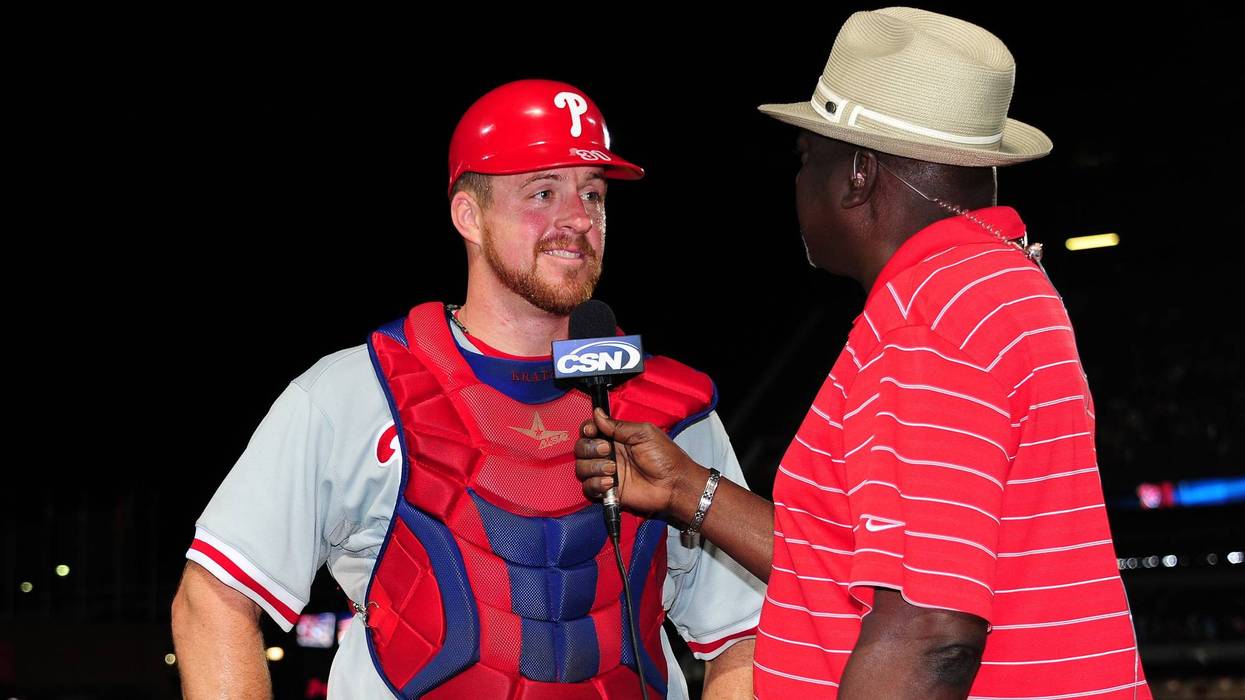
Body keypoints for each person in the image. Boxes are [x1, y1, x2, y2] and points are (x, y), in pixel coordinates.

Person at [575, 9, 1151, 698]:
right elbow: (853, 567)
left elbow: (930, 634)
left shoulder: (928, 319)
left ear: (857, 175)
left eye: (804, 160)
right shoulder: (996, 283)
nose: (796, 182)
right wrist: (685, 491)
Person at [171, 79, 763, 699]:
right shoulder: (354, 394)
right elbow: (212, 598)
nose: (579, 219)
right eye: (543, 192)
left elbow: (742, 638)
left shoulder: (672, 417)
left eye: (593, 194)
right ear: (468, 215)